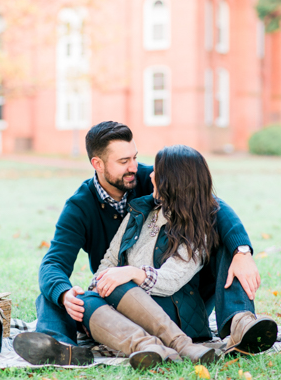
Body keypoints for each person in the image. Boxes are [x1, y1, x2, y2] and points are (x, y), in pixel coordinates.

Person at [14, 122, 277, 366]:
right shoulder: (80, 208)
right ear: (98, 163)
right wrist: (64, 293)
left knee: (226, 242)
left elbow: (205, 201)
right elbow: (54, 262)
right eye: (123, 161)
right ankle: (60, 344)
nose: (135, 167)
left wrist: (242, 249)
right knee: (56, 291)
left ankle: (239, 322)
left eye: (135, 157)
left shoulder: (149, 180)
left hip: (173, 290)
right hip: (120, 289)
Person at [75, 145, 224, 369]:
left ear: (174, 180)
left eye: (158, 171)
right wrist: (100, 284)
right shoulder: (140, 212)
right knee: (84, 301)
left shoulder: (197, 227)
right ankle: (150, 348)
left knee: (118, 282)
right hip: (127, 307)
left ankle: (182, 345)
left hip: (175, 315)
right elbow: (109, 261)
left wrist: (130, 273)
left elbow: (171, 280)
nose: (151, 175)